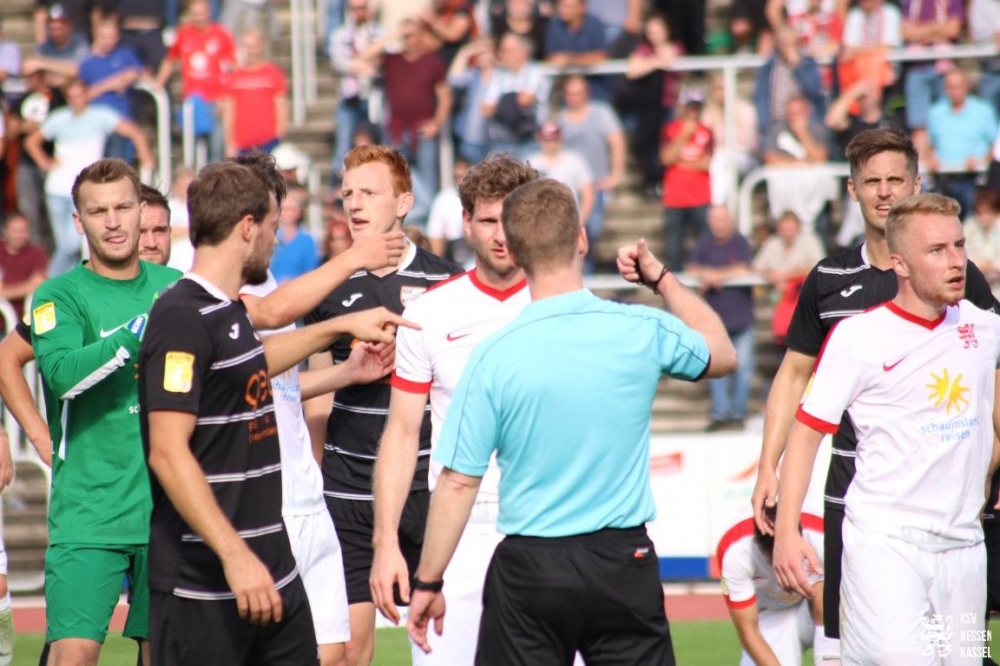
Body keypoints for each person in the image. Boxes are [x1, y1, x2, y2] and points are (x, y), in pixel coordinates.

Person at [406, 178, 737, 664]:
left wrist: (429, 581)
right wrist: (662, 279)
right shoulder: (638, 328)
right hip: (622, 562)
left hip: (531, 566)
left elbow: (457, 482)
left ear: (517, 252)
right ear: (581, 239)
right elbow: (723, 352)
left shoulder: (493, 355)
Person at [138, 159, 414, 665]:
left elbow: (256, 359)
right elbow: (167, 452)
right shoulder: (180, 316)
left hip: (272, 558)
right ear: (248, 228)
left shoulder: (226, 312)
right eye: (271, 225)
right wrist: (235, 555)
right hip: (206, 576)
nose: (276, 237)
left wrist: (343, 337)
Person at [750, 128, 1000, 646]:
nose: (885, 192)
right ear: (853, 190)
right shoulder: (830, 282)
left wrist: (988, 464)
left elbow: (988, 374)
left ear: (916, 183)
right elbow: (793, 376)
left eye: (895, 180)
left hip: (955, 516)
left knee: (959, 651)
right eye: (872, 182)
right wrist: (768, 467)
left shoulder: (962, 284)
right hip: (861, 494)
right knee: (857, 641)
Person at [370, 154, 538, 665]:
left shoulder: (561, 304)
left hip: (548, 524)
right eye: (487, 221)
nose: (500, 236)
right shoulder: (428, 312)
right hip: (456, 531)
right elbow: (402, 433)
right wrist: (385, 543)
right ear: (465, 222)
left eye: (511, 220)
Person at [302, 145, 461, 666]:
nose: (354, 203)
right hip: (346, 491)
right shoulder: (326, 284)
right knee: (346, 651)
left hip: (427, 490)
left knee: (444, 642)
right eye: (348, 193)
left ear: (404, 203)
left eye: (369, 192)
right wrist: (317, 472)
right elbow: (314, 393)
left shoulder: (448, 281)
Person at [27, 159, 181, 666]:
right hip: (89, 514)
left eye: (122, 207)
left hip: (168, 513)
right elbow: (62, 374)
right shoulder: (57, 294)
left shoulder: (179, 286)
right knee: (71, 657)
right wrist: (139, 331)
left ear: (141, 211)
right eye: (98, 212)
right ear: (78, 221)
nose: (113, 222)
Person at [23, 78, 155, 277]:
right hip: (56, 189)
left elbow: (134, 132)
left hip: (83, 192)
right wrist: (45, 162)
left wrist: (145, 156)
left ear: (86, 95)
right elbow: (31, 142)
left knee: (71, 244)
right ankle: (64, 287)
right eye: (71, 97)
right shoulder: (59, 118)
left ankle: (49, 283)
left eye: (79, 95)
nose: (76, 100)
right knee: (66, 246)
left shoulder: (100, 116)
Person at [718, 507, 837, 665]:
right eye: (774, 559)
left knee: (826, 590)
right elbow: (749, 631)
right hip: (770, 615)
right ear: (758, 544)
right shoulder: (734, 552)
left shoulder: (822, 534)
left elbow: (841, 594)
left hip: (824, 613)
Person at [686, 205, 755, 432]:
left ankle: (737, 413)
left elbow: (745, 267)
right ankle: (720, 413)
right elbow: (690, 268)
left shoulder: (740, 242)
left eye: (723, 219)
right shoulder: (704, 243)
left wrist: (716, 275)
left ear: (730, 220)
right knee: (715, 369)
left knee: (743, 369)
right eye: (715, 220)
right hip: (715, 321)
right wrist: (705, 274)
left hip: (741, 317)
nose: (719, 224)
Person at [0, 212, 48, 322]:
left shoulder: (37, 254)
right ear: (5, 231)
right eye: (15, 231)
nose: (19, 235)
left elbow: (38, 284)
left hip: (26, 320)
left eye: (23, 231)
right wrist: (25, 286)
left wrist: (5, 292)